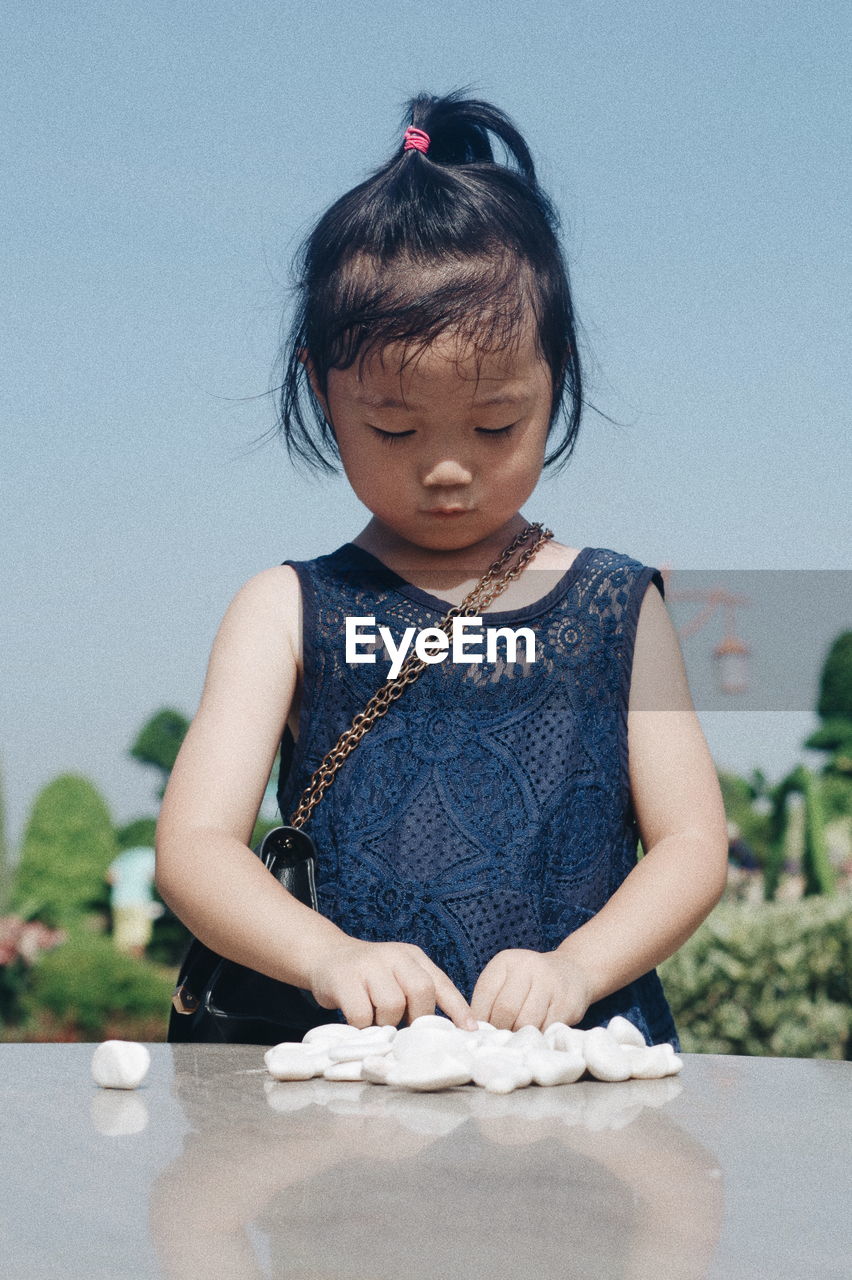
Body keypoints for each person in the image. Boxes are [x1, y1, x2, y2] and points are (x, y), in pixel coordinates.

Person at [155, 90, 728, 1048]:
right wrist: (327, 957)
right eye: (395, 428)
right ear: (320, 389)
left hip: (576, 1066)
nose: (449, 466)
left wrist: (578, 967)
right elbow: (194, 847)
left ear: (560, 372)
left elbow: (692, 844)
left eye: (497, 423)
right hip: (349, 1073)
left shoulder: (620, 608)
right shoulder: (287, 609)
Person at [107, 844, 158, 958]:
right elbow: (154, 876)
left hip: (119, 900)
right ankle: (137, 968)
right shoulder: (150, 855)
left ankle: (121, 965)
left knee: (122, 937)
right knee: (139, 938)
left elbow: (110, 878)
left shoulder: (124, 856)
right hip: (139, 900)